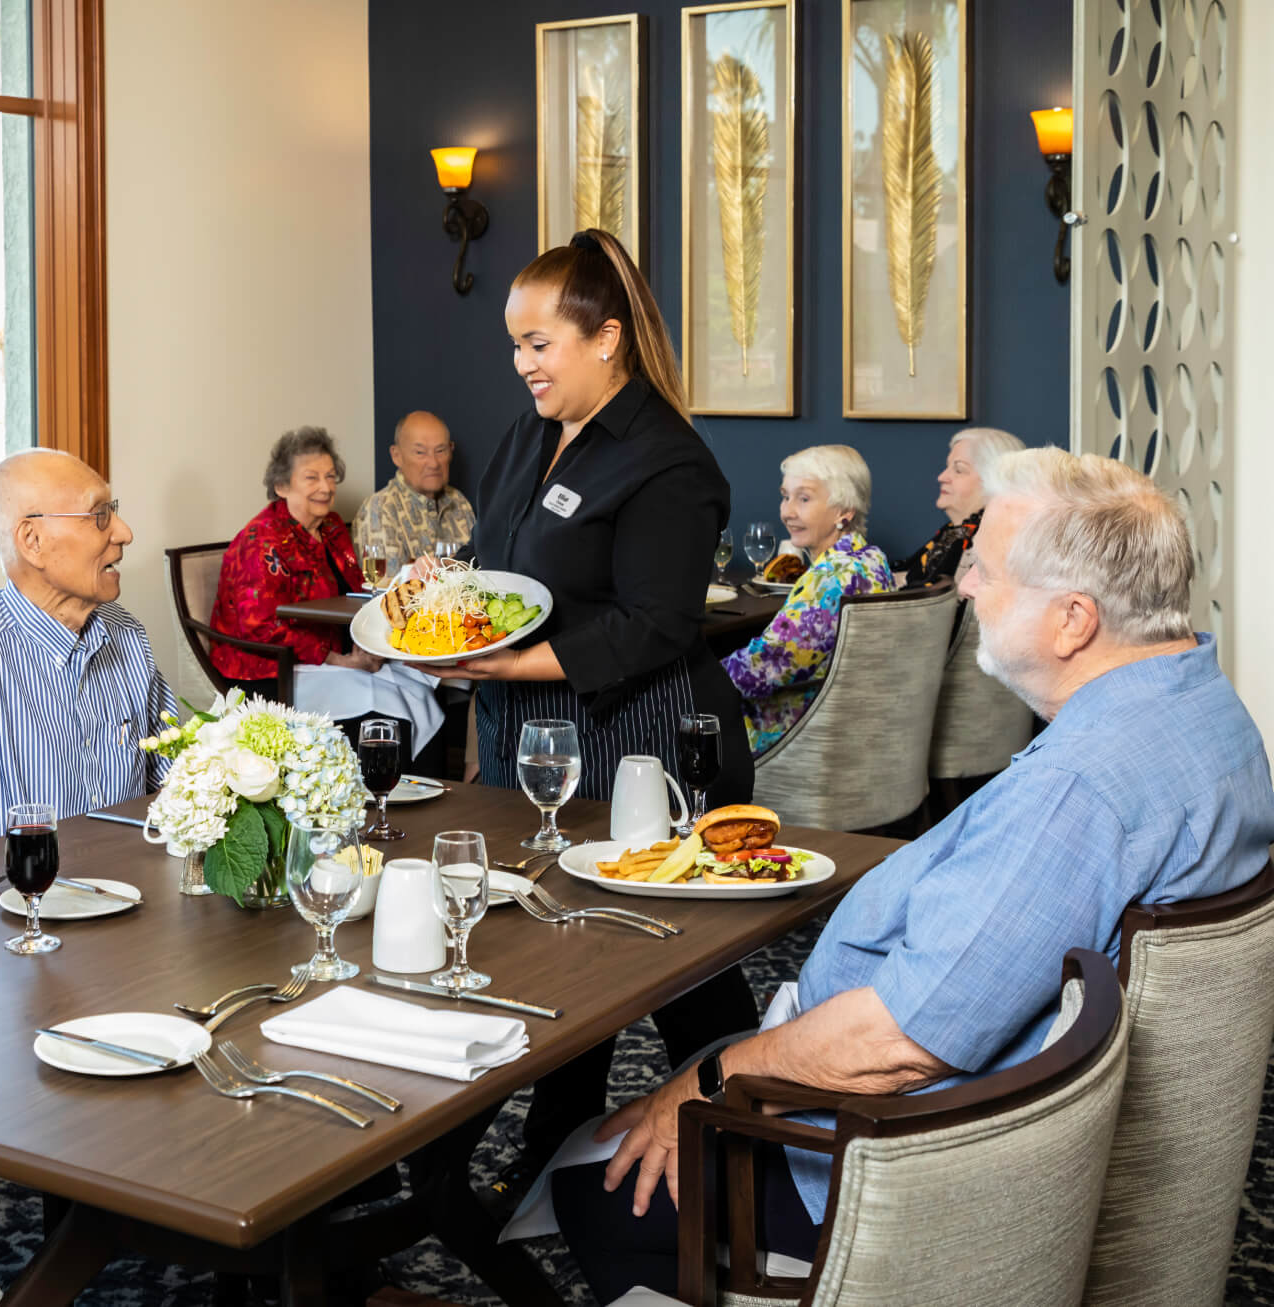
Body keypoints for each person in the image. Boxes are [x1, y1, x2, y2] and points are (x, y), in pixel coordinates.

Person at [538, 449, 1274, 1302]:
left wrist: (710, 1081)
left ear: (1073, 620)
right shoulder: (1202, 707)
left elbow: (899, 1047)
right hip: (967, 1109)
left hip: (897, 1156)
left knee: (591, 1192)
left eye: (984, 570)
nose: (963, 586)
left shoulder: (1081, 791)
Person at [409, 228, 760, 1199]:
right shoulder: (531, 435)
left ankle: (756, 1136)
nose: (521, 364)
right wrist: (453, 589)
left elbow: (656, 623)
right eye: (515, 345)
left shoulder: (667, 461)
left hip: (641, 731)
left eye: (538, 343)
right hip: (536, 726)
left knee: (665, 955)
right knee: (559, 944)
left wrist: (509, 658)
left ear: (604, 337)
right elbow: (506, 567)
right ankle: (537, 1167)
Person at [0, 449, 176, 850]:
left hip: (136, 893)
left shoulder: (126, 634)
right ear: (32, 541)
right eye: (99, 516)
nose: (124, 532)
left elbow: (182, 784)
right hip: (28, 903)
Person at [210, 426, 445, 756]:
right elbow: (262, 628)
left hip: (333, 656)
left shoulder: (332, 527)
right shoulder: (260, 543)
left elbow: (356, 593)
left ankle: (425, 797)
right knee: (385, 709)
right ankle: (385, 799)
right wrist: (342, 660)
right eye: (311, 478)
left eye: (331, 476)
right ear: (281, 486)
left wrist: (371, 644)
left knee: (417, 685)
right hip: (271, 671)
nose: (325, 487)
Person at [722, 445, 895, 756]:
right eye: (785, 496)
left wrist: (686, 683)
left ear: (845, 510)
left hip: (792, 733)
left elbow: (768, 664)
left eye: (804, 498)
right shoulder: (870, 560)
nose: (788, 511)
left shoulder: (834, 578)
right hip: (849, 723)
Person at [893, 426, 1026, 588]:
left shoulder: (987, 548)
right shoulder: (950, 534)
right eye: (948, 467)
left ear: (995, 483)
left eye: (959, 470)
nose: (942, 477)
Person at [352, 410, 476, 564]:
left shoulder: (459, 502)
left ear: (451, 450)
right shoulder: (380, 509)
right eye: (420, 452)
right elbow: (386, 585)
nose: (433, 463)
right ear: (396, 455)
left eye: (440, 450)